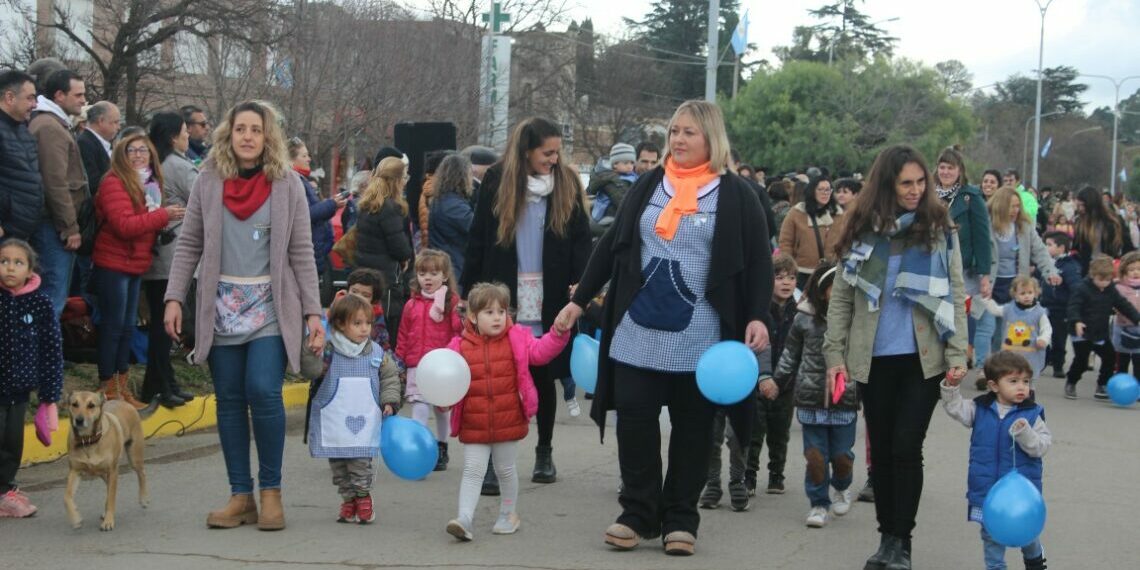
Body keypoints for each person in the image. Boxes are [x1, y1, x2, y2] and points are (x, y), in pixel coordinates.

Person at [555, 100, 772, 556]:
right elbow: (614, 245)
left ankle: (680, 518)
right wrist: (578, 302)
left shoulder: (736, 195)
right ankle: (636, 512)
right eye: (675, 131)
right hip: (637, 328)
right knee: (634, 421)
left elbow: (756, 264)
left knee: (693, 427)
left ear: (711, 138)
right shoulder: (650, 185)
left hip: (702, 338)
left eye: (689, 132)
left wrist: (757, 315)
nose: (678, 139)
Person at [163, 100, 325, 531]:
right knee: (230, 400)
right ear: (228, 134)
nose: (248, 136)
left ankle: (271, 492)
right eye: (241, 129)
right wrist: (174, 297)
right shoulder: (208, 182)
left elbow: (301, 253)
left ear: (267, 137)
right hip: (219, 308)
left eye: (256, 130)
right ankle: (241, 496)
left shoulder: (288, 184)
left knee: (263, 391)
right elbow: (189, 243)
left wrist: (313, 311)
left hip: (270, 307)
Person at [823, 144, 968, 570]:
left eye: (921, 182)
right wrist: (835, 355)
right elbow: (842, 300)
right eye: (906, 182)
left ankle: (902, 542)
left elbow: (954, 294)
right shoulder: (861, 230)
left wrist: (958, 349)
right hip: (874, 358)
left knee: (906, 446)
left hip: (924, 358)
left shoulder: (940, 227)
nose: (916, 190)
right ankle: (886, 538)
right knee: (883, 450)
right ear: (887, 184)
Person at [461, 116, 592, 485]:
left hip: (550, 294)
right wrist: (468, 294)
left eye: (557, 152)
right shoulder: (498, 179)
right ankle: (490, 461)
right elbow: (478, 239)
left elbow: (582, 238)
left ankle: (544, 452)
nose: (553, 159)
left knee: (543, 374)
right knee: (496, 380)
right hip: (504, 295)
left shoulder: (565, 180)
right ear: (526, 151)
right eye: (546, 153)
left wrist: (580, 284)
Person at [444, 282, 570, 541]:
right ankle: (464, 518)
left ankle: (508, 513)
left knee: (505, 469)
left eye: (501, 311)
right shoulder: (458, 347)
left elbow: (540, 352)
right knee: (472, 470)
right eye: (489, 312)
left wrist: (558, 334)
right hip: (474, 421)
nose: (497, 317)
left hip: (507, 418)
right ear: (472, 317)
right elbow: (445, 377)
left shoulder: (518, 338)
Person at [93, 131, 184, 409]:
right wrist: (162, 216)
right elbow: (125, 225)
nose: (137, 155)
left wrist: (162, 221)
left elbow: (146, 223)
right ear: (121, 154)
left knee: (126, 329)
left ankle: (123, 389)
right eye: (131, 150)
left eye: (143, 151)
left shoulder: (150, 184)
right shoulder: (114, 182)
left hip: (134, 263)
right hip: (114, 263)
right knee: (114, 328)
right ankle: (108, 389)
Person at [940, 352, 1050, 570]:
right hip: (987, 491)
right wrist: (950, 387)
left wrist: (1025, 433)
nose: (1022, 387)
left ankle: (1035, 560)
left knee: (1027, 535)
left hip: (1022, 495)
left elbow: (1041, 447)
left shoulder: (1031, 414)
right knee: (991, 537)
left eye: (1025, 381)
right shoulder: (979, 409)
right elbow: (955, 408)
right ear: (994, 385)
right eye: (1013, 381)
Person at [304, 294, 401, 525]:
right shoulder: (328, 351)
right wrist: (309, 350)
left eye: (368, 323)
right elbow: (311, 371)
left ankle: (363, 498)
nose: (365, 329)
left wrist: (389, 401)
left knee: (359, 465)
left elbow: (390, 378)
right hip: (335, 421)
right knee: (338, 467)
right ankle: (348, 499)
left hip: (364, 421)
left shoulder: (377, 353)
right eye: (357, 323)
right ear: (339, 324)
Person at [776, 263, 858, 528]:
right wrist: (778, 381)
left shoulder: (856, 321)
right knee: (815, 457)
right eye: (837, 288)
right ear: (823, 292)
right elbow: (790, 354)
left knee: (842, 456)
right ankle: (818, 504)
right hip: (811, 399)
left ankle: (842, 486)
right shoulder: (803, 319)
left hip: (844, 400)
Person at [0, 240, 63, 518]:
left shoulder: (40, 304)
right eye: (3, 261)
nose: (9, 267)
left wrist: (49, 397)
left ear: (30, 270)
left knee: (12, 441)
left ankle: (5, 491)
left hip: (19, 390)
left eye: (17, 262)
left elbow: (51, 350)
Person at [141, 111, 198, 408]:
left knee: (159, 326)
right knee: (165, 328)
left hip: (156, 253)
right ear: (173, 136)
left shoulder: (153, 163)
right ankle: (160, 384)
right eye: (186, 131)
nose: (189, 136)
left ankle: (160, 382)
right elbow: (204, 201)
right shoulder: (178, 166)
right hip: (173, 255)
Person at [396, 249, 464, 471]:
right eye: (423, 273)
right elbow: (404, 334)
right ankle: (420, 447)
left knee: (441, 409)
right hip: (416, 364)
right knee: (419, 406)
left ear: (444, 276)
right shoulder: (411, 305)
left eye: (434, 273)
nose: (428, 278)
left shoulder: (451, 302)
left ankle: (441, 446)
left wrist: (460, 316)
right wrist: (400, 361)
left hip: (441, 366)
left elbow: (458, 332)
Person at [28, 69, 87, 319]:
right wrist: (69, 227)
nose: (84, 100)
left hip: (53, 224)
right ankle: (44, 357)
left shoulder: (55, 122)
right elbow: (55, 182)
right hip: (53, 226)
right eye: (78, 94)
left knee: (53, 295)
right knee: (52, 296)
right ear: (59, 95)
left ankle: (47, 355)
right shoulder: (50, 127)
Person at [935, 147, 993, 372]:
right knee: (936, 314)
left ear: (960, 170)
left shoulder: (970, 197)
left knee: (959, 314)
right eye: (942, 167)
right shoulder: (927, 193)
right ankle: (938, 364)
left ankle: (956, 360)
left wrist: (984, 275)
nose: (946, 172)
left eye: (951, 168)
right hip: (933, 265)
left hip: (963, 267)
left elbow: (982, 237)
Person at [745, 254, 799, 497]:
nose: (786, 283)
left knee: (780, 433)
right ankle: (749, 475)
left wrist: (783, 381)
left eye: (792, 278)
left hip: (785, 383)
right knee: (755, 432)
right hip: (756, 382)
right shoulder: (760, 311)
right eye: (779, 278)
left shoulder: (799, 312)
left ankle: (776, 475)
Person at [355, 157, 415, 349]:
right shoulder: (389, 208)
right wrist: (407, 257)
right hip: (387, 281)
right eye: (404, 176)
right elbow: (401, 249)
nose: (406, 180)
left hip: (367, 275)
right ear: (396, 180)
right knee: (388, 332)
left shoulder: (368, 205)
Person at [1065, 255, 1140, 401]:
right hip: (1082, 333)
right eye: (1101, 280)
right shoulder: (1082, 288)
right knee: (1082, 361)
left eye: (1108, 280)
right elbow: (1073, 306)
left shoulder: (1110, 289)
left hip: (1100, 332)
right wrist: (1077, 321)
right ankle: (1071, 382)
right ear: (1092, 275)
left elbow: (1123, 304)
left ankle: (1102, 385)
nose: (1104, 283)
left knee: (1110, 358)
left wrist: (1137, 319)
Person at [971, 276, 1052, 386]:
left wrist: (1043, 339)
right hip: (1010, 354)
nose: (1027, 296)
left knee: (1028, 379)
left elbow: (1046, 328)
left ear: (1036, 293)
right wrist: (986, 300)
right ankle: (1007, 397)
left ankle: (1029, 396)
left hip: (1031, 355)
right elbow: (995, 310)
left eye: (1030, 292)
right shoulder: (1009, 309)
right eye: (1022, 293)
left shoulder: (1039, 313)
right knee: (1009, 377)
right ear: (1015, 295)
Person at [289, 137, 346, 276]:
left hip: (314, 252)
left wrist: (332, 205)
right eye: (304, 155)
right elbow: (305, 215)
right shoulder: (293, 181)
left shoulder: (302, 180)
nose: (308, 159)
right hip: (304, 253)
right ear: (290, 160)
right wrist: (332, 204)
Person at [0, 70, 42, 243]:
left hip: (20, 233)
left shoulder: (23, 129)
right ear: (10, 98)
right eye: (30, 98)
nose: (34, 105)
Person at [779, 176, 842, 289]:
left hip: (831, 271)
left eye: (828, 189)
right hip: (802, 272)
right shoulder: (797, 212)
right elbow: (785, 242)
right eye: (820, 189)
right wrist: (788, 268)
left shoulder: (839, 214)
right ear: (812, 190)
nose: (825, 193)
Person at [1038, 231, 1080, 378]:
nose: (1045, 247)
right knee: (1042, 334)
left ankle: (1058, 364)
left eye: (1049, 244)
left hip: (1060, 309)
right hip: (1044, 306)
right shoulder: (1045, 262)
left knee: (1059, 338)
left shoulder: (1069, 266)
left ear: (1061, 248)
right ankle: (1042, 361)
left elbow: (1075, 286)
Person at [428, 154, 475, 282]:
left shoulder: (443, 200)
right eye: (470, 174)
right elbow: (477, 228)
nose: (472, 179)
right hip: (456, 268)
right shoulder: (453, 206)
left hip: (450, 264)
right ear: (462, 177)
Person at [1072, 186, 1133, 276]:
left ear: (1092, 204)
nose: (1080, 208)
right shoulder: (1080, 222)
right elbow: (1076, 248)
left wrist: (1123, 266)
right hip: (1087, 271)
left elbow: (1127, 245)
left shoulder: (1114, 222)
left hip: (1110, 270)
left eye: (1083, 205)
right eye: (1079, 205)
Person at [77, 101, 120, 189]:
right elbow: (93, 181)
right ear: (100, 121)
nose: (118, 127)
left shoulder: (93, 141)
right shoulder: (85, 143)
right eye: (115, 122)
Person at [1112, 251, 1140, 376]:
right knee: (1121, 363)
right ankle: (1120, 389)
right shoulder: (1118, 287)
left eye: (1139, 269)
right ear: (1124, 271)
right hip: (1122, 329)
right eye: (1131, 269)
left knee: (1138, 363)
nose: (1136, 272)